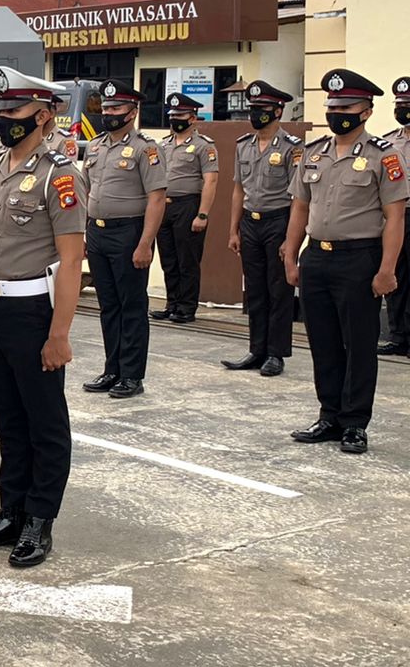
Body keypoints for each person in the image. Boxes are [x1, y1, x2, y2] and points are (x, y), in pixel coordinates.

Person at [0, 66, 85, 568]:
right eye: (1, 111)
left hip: (34, 311)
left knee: (44, 422)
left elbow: (72, 259)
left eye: (15, 112)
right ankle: (10, 511)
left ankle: (39, 521)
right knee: (8, 420)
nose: (5, 118)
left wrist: (60, 333)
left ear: (44, 116)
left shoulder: (60, 174)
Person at [283, 68, 406, 454]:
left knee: (359, 343)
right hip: (317, 258)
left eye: (346, 106)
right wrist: (290, 255)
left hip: (359, 260)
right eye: (332, 106)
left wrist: (387, 270)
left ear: (366, 111)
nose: (337, 113)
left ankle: (355, 423)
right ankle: (329, 415)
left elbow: (395, 217)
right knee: (323, 343)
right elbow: (299, 208)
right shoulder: (313, 153)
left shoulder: (383, 156)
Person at [81, 80, 167, 400]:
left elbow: (157, 198)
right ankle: (112, 368)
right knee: (108, 305)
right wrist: (84, 232)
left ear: (133, 111)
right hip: (98, 231)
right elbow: (87, 191)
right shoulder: (95, 146)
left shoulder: (147, 149)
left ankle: (132, 375)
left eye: (116, 108)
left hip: (129, 232)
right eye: (105, 108)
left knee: (131, 305)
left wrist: (145, 243)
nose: (109, 113)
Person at [223, 82, 303, 376]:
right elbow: (237, 190)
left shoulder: (292, 149)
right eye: (253, 110)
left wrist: (291, 240)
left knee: (278, 289)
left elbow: (299, 198)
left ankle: (276, 353)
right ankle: (256, 349)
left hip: (278, 221)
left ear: (278, 111)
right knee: (255, 289)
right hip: (250, 222)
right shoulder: (243, 145)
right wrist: (234, 230)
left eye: (263, 110)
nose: (256, 115)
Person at [152, 92, 219, 324]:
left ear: (193, 118)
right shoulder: (163, 145)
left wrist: (203, 214)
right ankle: (171, 304)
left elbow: (210, 181)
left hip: (188, 205)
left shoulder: (204, 146)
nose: (175, 119)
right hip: (164, 206)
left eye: (180, 115)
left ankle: (186, 307)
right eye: (172, 115)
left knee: (187, 259)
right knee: (168, 258)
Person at [378, 76, 410, 357]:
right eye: (399, 104)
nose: (402, 109)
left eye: (408, 104)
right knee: (396, 275)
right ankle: (398, 336)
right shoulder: (389, 142)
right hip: (398, 217)